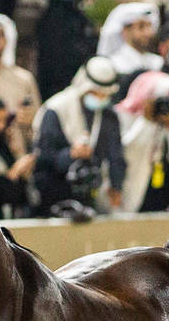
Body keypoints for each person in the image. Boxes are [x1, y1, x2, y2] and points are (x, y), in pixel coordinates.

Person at [33, 56, 124, 214]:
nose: (100, 98)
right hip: (55, 193)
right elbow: (43, 158)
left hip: (91, 193)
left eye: (104, 94)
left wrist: (116, 185)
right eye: (95, 93)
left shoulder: (109, 116)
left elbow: (116, 155)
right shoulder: (56, 110)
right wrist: (70, 154)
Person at [116, 70, 169, 212]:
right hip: (131, 193)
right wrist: (146, 121)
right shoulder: (122, 116)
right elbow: (127, 153)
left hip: (162, 192)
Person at [98, 1, 163, 84]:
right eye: (141, 27)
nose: (148, 33)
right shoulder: (113, 65)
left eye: (150, 26)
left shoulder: (158, 62)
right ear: (125, 31)